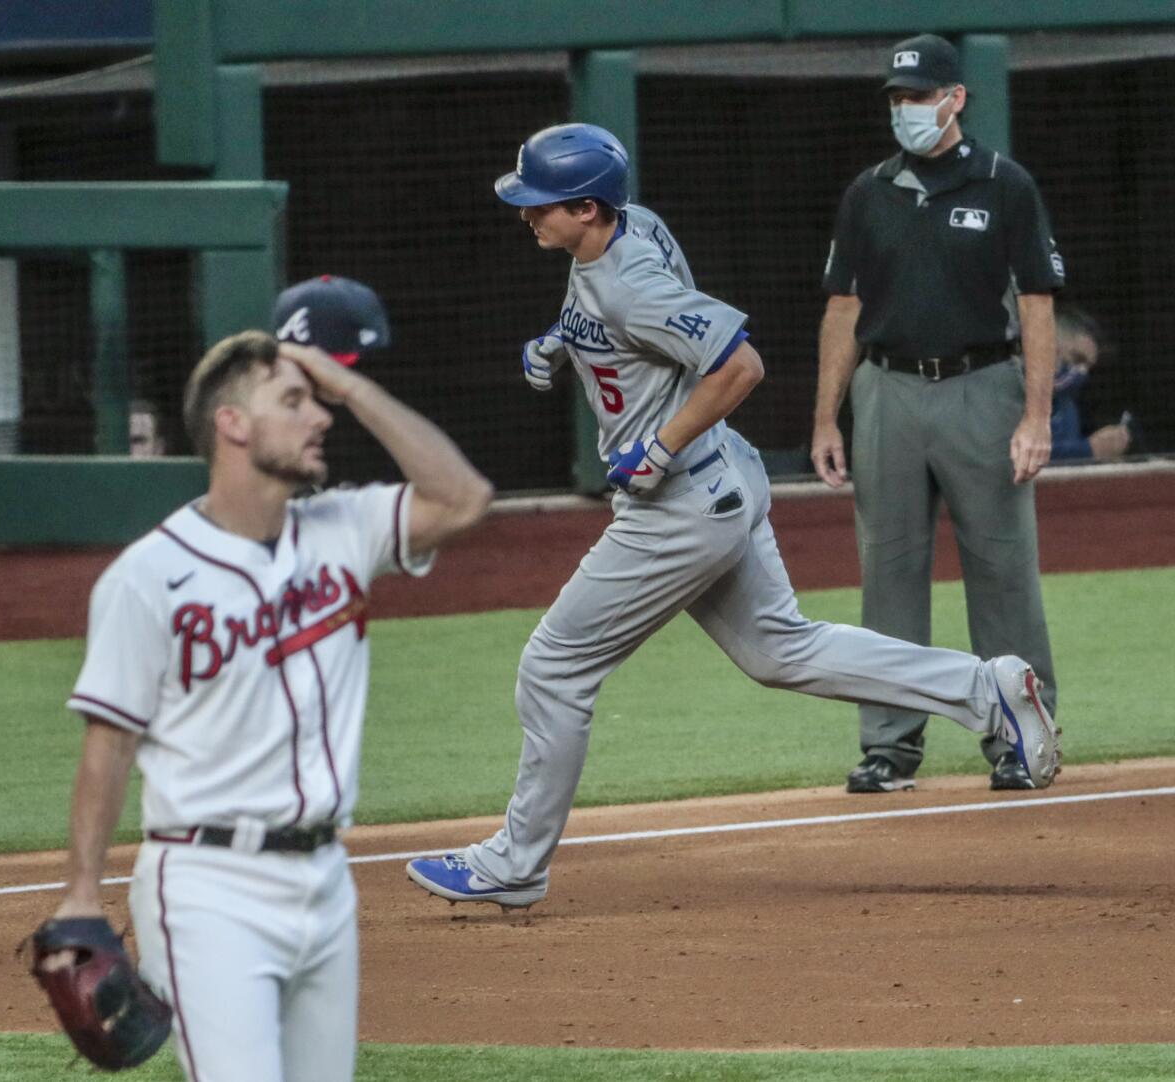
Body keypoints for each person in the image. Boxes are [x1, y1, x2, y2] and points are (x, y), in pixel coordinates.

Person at [405, 123, 1060, 912]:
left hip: (678, 504)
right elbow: (622, 326)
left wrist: (656, 445)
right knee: (781, 650)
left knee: (554, 667)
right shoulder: (627, 228)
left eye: (539, 205)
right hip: (722, 479)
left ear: (585, 208)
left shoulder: (629, 281)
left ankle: (515, 861)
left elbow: (739, 364)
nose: (526, 216)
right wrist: (559, 344)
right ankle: (985, 689)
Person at [49, 277, 492, 1082]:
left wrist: (348, 385)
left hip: (326, 881)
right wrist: (82, 893)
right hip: (208, 887)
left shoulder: (344, 530)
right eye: (295, 400)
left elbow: (463, 498)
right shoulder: (149, 578)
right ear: (232, 423)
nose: (318, 416)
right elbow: (107, 747)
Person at [810, 33, 1066, 795]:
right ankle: (889, 745)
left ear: (955, 99)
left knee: (1003, 573)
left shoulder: (1004, 184)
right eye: (896, 97)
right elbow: (844, 306)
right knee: (887, 575)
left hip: (983, 388)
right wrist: (827, 418)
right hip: (884, 393)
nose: (905, 110)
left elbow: (1038, 305)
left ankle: (1026, 736)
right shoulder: (867, 192)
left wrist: (1037, 416)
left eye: (918, 96)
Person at [1051, 303, 1131, 461]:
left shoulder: (1068, 408)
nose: (1081, 372)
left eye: (1087, 366)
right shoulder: (1008, 394)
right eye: (1076, 358)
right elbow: (1008, 460)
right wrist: (1089, 449)